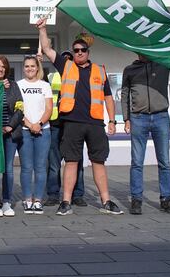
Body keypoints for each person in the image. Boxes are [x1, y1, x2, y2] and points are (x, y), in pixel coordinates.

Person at [36, 19, 122, 215]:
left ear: (88, 52)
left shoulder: (100, 70)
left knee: (98, 162)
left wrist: (112, 120)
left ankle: (106, 201)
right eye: (76, 50)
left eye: (83, 50)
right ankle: (65, 202)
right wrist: (42, 29)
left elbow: (108, 97)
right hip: (72, 123)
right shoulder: (65, 66)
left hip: (95, 124)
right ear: (73, 53)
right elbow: (48, 49)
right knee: (72, 162)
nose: (79, 52)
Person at [122, 54, 170, 215]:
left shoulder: (163, 64)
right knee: (137, 162)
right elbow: (125, 95)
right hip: (138, 118)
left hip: (161, 117)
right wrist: (126, 119)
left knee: (164, 161)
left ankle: (166, 199)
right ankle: (136, 199)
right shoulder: (130, 70)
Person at [43, 51, 87, 207]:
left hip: (73, 124)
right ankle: (53, 195)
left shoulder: (79, 77)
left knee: (76, 161)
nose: (67, 62)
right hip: (55, 124)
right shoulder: (51, 77)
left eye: (70, 59)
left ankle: (77, 195)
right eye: (64, 60)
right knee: (54, 163)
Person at [0, 55, 23, 217]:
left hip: (10, 133)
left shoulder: (14, 86)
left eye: (3, 66)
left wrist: (10, 126)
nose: (0, 69)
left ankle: (7, 201)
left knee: (8, 169)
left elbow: (19, 108)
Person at [17, 55, 53, 214]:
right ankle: (27, 199)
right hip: (25, 131)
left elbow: (49, 109)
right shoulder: (18, 85)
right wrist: (30, 124)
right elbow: (17, 110)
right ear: (23, 68)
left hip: (43, 131)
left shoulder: (45, 86)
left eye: (32, 66)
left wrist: (38, 124)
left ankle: (37, 200)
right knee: (26, 167)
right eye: (26, 66)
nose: (29, 69)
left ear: (37, 68)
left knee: (40, 167)